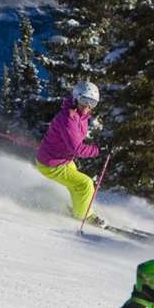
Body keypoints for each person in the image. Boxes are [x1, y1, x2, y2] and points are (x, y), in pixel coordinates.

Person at [35, 81, 102, 222]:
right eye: (85, 101)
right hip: (51, 164)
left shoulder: (79, 115)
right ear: (76, 98)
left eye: (92, 103)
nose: (87, 106)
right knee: (85, 184)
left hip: (61, 159)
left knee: (77, 185)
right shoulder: (68, 118)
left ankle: (81, 210)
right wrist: (98, 150)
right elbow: (77, 149)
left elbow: (74, 139)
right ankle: (84, 216)